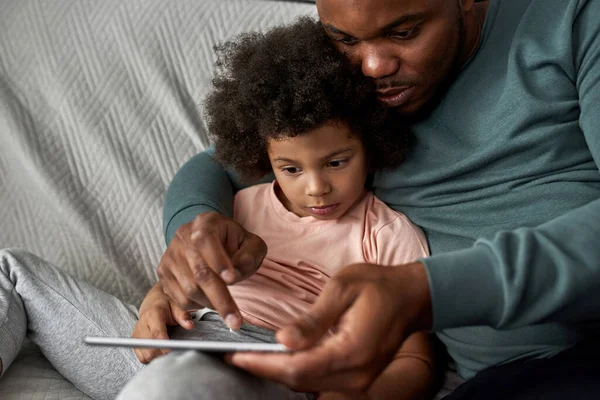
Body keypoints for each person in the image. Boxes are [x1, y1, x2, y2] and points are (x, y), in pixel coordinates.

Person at [154, 0, 600, 399]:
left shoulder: (572, 18)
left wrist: (423, 290)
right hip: (499, 380)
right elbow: (217, 164)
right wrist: (195, 232)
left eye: (404, 32)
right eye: (344, 37)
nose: (371, 66)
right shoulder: (361, 88)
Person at [119, 17, 438, 400]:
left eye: (337, 162)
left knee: (172, 385)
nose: (317, 188)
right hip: (163, 342)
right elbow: (191, 277)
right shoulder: (237, 209)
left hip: (265, 361)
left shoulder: (385, 235)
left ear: (371, 146)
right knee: (24, 278)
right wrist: (157, 297)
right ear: (262, 157)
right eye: (290, 169)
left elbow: (416, 356)